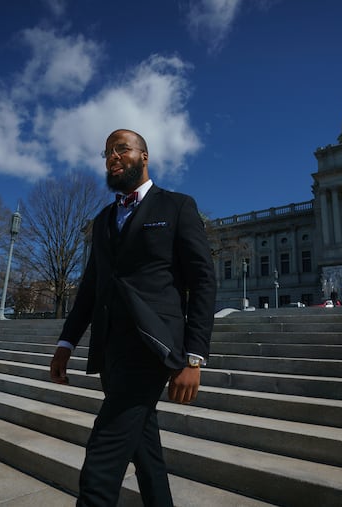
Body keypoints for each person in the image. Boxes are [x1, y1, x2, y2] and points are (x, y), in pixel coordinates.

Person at [49, 129, 216, 506]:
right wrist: (65, 343)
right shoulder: (103, 219)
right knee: (144, 448)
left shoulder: (176, 206)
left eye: (122, 148)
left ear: (144, 156)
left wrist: (194, 355)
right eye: (107, 152)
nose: (113, 157)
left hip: (152, 347)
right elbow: (90, 288)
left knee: (102, 461)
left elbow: (203, 280)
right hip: (111, 350)